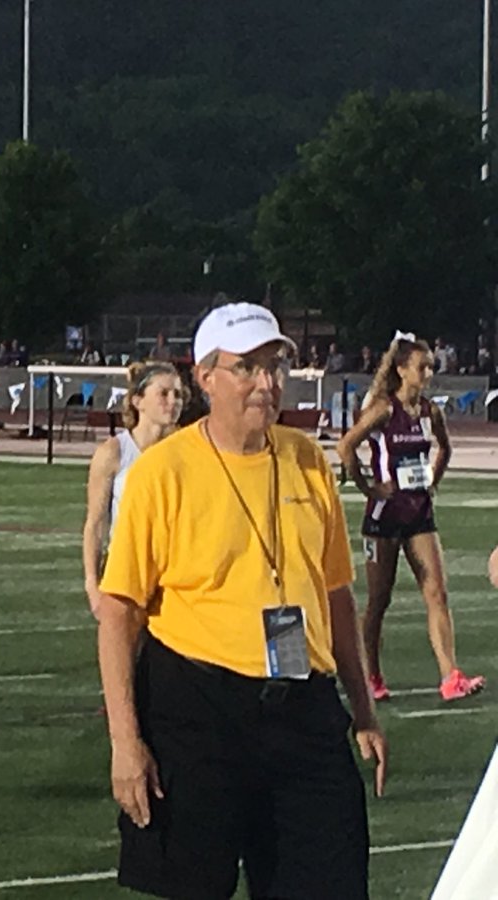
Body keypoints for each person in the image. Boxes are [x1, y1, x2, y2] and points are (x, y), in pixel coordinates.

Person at [97, 302, 386, 899]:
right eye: (246, 367)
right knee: (192, 885)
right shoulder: (163, 473)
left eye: (274, 365)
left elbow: (336, 594)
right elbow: (120, 613)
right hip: (196, 708)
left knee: (328, 881)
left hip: (303, 706)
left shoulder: (308, 460)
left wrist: (363, 709)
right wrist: (126, 743)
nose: (266, 382)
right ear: (205, 377)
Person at [337, 334, 485, 702]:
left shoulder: (430, 411)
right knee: (379, 600)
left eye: (431, 366)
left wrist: (432, 481)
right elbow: (346, 446)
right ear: (402, 370)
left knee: (437, 592)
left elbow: (445, 448)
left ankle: (450, 676)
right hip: (384, 517)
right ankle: (370, 675)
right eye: (422, 366)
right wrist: (369, 488)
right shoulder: (385, 409)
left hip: (419, 513)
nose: (429, 373)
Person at [82, 363, 183, 620]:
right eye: (163, 393)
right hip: (125, 572)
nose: (173, 401)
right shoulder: (113, 453)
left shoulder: (186, 452)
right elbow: (95, 523)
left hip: (174, 577)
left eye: (178, 394)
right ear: (138, 401)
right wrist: (93, 586)